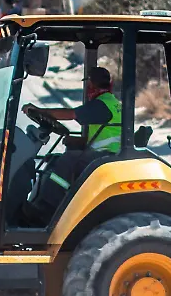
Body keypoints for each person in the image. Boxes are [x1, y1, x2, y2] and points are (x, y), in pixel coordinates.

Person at [20, 67, 121, 221]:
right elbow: (103, 133)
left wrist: (41, 111)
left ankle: (47, 209)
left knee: (67, 160)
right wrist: (77, 141)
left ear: (91, 84)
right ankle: (43, 202)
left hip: (106, 155)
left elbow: (71, 114)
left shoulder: (101, 104)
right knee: (55, 159)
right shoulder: (112, 103)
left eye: (88, 83)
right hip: (107, 153)